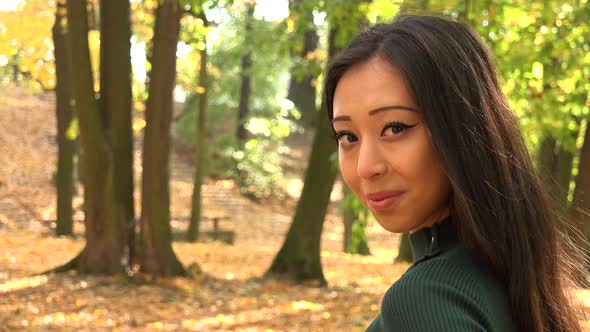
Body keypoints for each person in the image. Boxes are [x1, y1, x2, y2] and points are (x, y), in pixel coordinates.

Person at [324, 14, 582, 332]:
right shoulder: (513, 279)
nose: (365, 167)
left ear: (462, 131)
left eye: (394, 128)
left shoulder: (426, 298)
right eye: (347, 136)